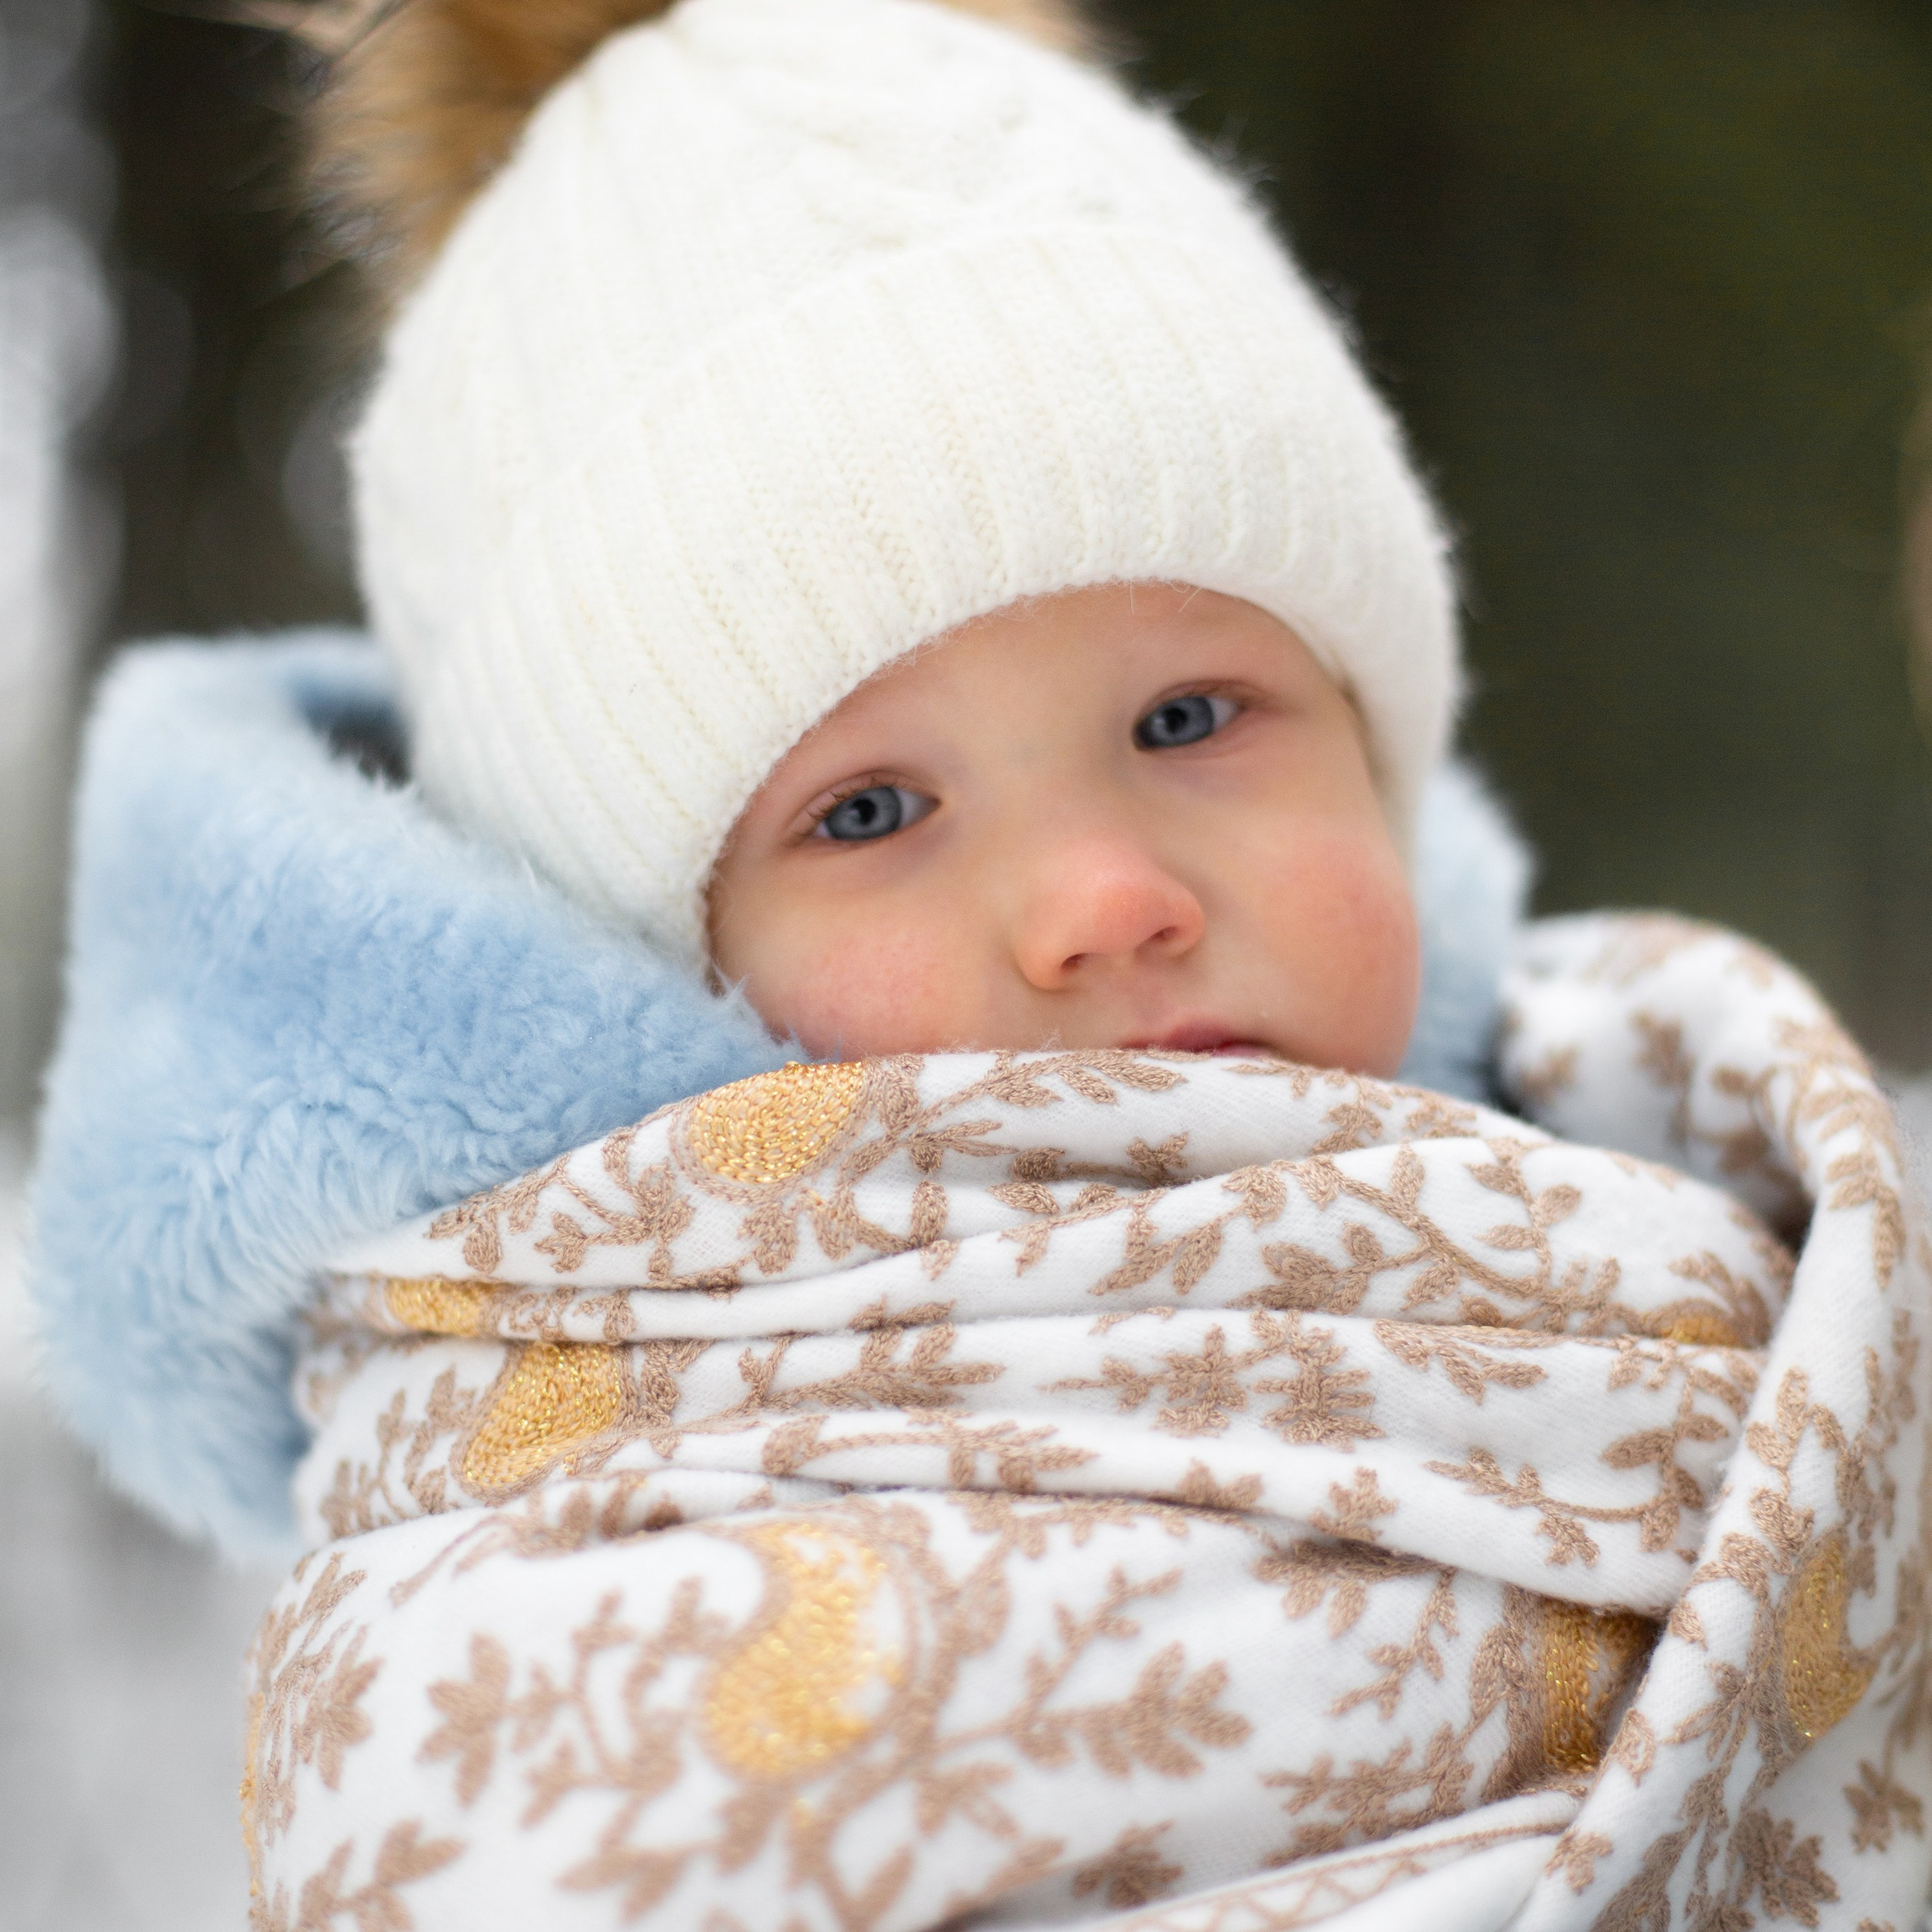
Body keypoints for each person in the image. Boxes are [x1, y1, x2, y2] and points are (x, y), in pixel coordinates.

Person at [26, 1, 1932, 1926]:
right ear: (640, 979)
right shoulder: (548, 1542)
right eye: (866, 814)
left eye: (1190, 712)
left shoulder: (1732, 1223)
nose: (1100, 895)